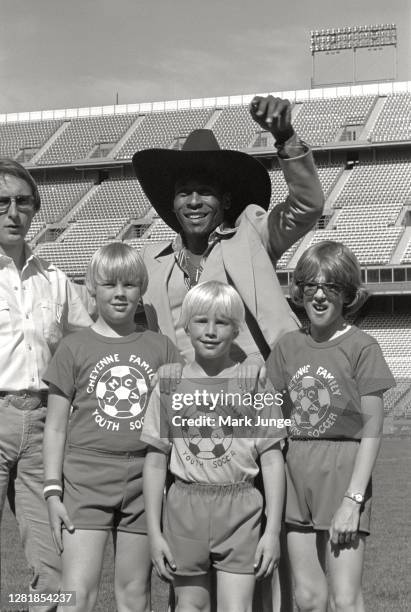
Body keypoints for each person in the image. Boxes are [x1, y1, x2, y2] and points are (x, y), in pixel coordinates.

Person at [133, 95, 324, 611]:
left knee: (261, 578)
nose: (194, 201)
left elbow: (306, 206)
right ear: (171, 205)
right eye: (183, 193)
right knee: (188, 585)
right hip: (188, 432)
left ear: (223, 200)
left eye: (205, 192)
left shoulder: (252, 236)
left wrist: (286, 140)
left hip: (256, 415)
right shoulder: (149, 266)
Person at [42, 243, 182, 612]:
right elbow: (55, 427)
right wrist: (53, 491)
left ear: (141, 289)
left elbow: (179, 418)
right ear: (91, 287)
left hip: (144, 482)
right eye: (109, 284)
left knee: (135, 594)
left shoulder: (162, 348)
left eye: (130, 284)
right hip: (85, 479)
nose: (120, 293)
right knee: (77, 593)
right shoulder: (73, 347)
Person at [265, 240, 396, 612]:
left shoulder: (362, 347)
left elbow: (372, 429)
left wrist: (353, 500)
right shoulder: (287, 347)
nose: (319, 296)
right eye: (311, 286)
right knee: (308, 599)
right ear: (300, 291)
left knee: (344, 599)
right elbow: (267, 413)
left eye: (332, 287)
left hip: (343, 472)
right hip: (294, 472)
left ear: (347, 293)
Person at [141, 281, 286, 612]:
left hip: (241, 507)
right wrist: (154, 532)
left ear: (236, 330)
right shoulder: (169, 384)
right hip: (184, 507)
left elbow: (273, 460)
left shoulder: (254, 385)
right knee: (190, 606)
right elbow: (155, 461)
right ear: (186, 326)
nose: (210, 331)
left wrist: (272, 531)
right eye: (201, 321)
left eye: (221, 322)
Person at [0, 158, 92, 611]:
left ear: (35, 210)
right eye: (2, 202)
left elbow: (89, 346)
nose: (12, 212)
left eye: (22, 202)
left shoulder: (55, 280)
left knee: (49, 560)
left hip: (43, 426)